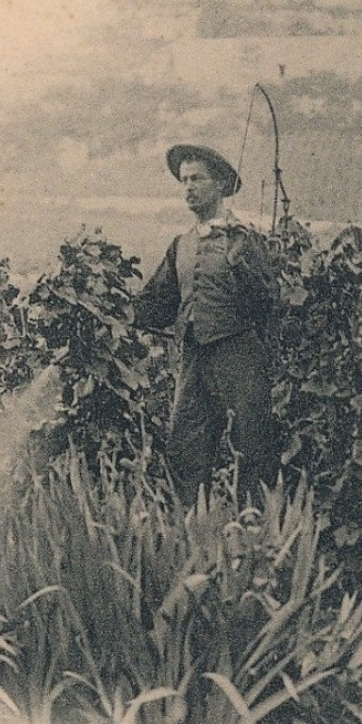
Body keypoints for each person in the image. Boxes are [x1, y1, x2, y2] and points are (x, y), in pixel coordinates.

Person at [134, 143, 280, 507]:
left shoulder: (244, 239)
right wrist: (115, 311)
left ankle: (254, 534)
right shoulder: (180, 244)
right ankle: (189, 534)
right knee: (185, 446)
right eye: (184, 180)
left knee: (252, 446)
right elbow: (156, 304)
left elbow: (267, 302)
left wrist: (240, 264)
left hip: (240, 356)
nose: (188, 188)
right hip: (194, 359)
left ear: (219, 185)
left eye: (197, 179)